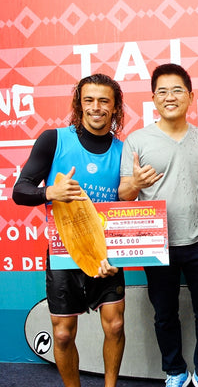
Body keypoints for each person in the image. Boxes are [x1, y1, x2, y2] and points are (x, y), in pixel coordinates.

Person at [13, 74, 126, 387]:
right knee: (62, 333)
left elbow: (128, 208)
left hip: (105, 254)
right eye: (89, 100)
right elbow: (20, 192)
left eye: (104, 101)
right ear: (79, 104)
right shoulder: (54, 139)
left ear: (115, 107)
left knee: (115, 326)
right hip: (64, 254)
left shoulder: (123, 151)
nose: (96, 107)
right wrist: (50, 193)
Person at [118, 64, 198, 387]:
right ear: (153, 99)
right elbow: (123, 194)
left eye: (177, 90)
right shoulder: (137, 140)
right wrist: (134, 182)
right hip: (157, 244)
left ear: (191, 97)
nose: (169, 97)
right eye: (162, 91)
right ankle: (174, 371)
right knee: (164, 314)